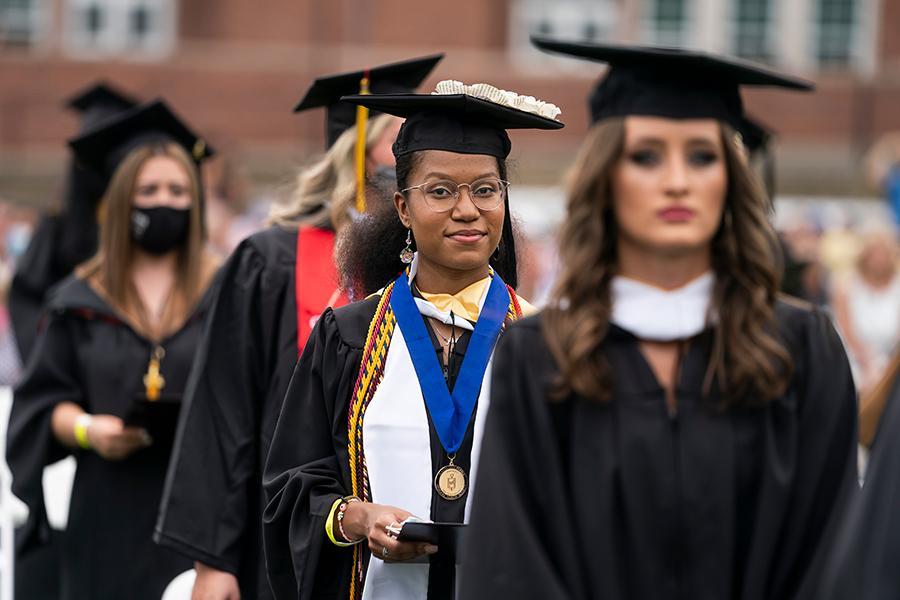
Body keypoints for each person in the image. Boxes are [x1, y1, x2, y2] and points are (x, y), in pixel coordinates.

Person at [459, 39, 858, 600]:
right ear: (607, 176)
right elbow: (509, 562)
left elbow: (834, 555)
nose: (677, 181)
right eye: (646, 156)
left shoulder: (800, 348)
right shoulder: (539, 356)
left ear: (730, 178)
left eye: (702, 156)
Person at [154, 55, 443, 600]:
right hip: (281, 539)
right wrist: (213, 561)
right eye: (396, 137)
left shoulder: (426, 273)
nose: (411, 151)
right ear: (355, 148)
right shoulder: (273, 263)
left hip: (406, 549)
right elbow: (224, 410)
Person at [262, 80, 563, 600]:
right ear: (403, 207)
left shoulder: (546, 342)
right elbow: (290, 489)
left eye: (486, 190)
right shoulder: (348, 337)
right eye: (441, 191)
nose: (467, 209)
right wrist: (356, 519)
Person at [6, 99, 219, 600]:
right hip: (105, 512)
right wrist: (86, 430)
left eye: (177, 190)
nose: (163, 201)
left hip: (200, 515)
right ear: (123, 200)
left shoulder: (227, 290)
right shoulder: (79, 299)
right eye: (148, 190)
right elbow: (40, 404)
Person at [9, 82, 137, 363]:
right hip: (68, 356)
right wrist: (45, 358)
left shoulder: (140, 216)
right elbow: (26, 295)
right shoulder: (58, 220)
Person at [831, 229, 900, 392]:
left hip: (892, 358)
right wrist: (868, 361)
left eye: (883, 253)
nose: (879, 259)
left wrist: (888, 365)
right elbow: (846, 330)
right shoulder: (846, 286)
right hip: (856, 357)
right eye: (874, 254)